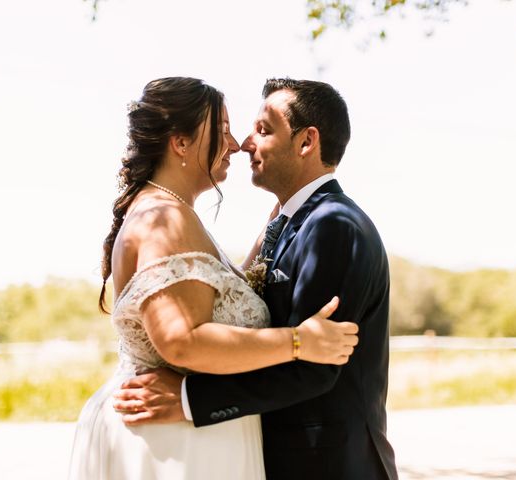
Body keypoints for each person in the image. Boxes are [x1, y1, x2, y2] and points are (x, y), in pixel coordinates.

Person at [67, 77, 359, 480]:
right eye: (221, 128)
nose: (237, 143)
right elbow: (181, 340)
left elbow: (213, 296)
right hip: (171, 446)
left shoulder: (171, 213)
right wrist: (298, 342)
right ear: (181, 142)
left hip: (186, 439)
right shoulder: (164, 219)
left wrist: (276, 225)